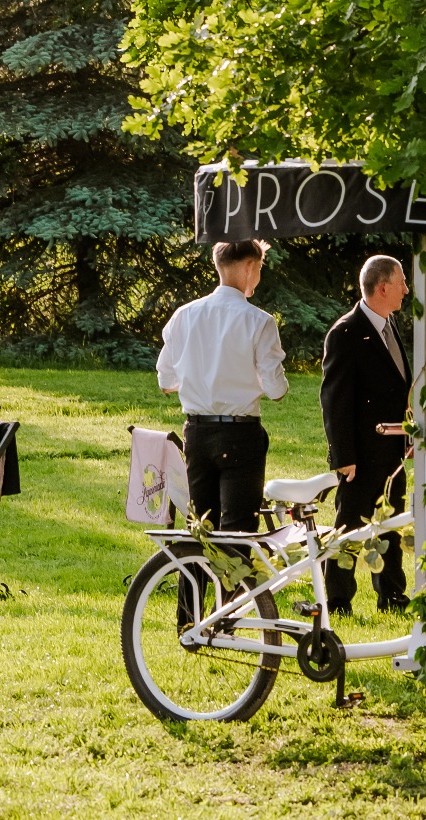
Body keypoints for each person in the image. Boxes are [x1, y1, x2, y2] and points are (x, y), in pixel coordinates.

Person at [157, 238, 288, 542]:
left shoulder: (184, 315)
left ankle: (192, 588)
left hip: (197, 432)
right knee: (238, 530)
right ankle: (235, 591)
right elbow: (277, 390)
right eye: (260, 268)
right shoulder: (260, 321)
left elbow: (166, 382)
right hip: (241, 434)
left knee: (200, 528)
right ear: (249, 267)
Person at [320, 254, 412, 615]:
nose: (406, 289)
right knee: (349, 529)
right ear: (383, 286)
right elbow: (334, 398)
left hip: (392, 450)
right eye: (401, 281)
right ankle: (338, 600)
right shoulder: (345, 332)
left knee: (390, 525)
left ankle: (391, 596)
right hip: (360, 453)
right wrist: (343, 457)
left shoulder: (390, 326)